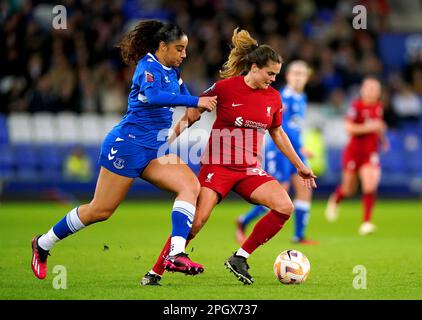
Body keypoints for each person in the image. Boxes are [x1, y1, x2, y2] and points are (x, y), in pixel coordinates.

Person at [30, 20, 217, 281]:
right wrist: (194, 101)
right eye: (179, 49)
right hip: (127, 146)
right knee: (100, 211)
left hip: (154, 149)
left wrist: (194, 108)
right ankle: (43, 243)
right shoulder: (147, 67)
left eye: (185, 49)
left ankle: (176, 254)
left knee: (190, 186)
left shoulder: (173, 70)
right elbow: (154, 97)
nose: (183, 55)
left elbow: (186, 97)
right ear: (162, 47)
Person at [141, 28, 316, 286]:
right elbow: (193, 113)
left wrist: (300, 166)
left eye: (276, 75)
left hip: (249, 169)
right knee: (197, 221)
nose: (273, 79)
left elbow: (277, 132)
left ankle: (240, 257)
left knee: (284, 206)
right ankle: (155, 272)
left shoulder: (274, 98)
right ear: (254, 67)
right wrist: (166, 141)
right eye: (270, 74)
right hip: (218, 168)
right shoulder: (225, 88)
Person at [235, 60, 319, 245]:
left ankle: (299, 236)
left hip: (296, 150)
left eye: (302, 74)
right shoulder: (283, 97)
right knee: (279, 194)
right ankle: (244, 220)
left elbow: (295, 128)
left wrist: (300, 146)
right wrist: (300, 147)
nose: (298, 77)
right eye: (295, 73)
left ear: (307, 78)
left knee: (305, 188)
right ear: (288, 76)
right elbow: (281, 128)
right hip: (279, 151)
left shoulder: (301, 97)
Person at [325, 76, 387, 235]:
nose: (372, 92)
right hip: (353, 152)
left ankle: (366, 222)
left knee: (369, 185)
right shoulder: (356, 106)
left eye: (375, 89)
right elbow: (349, 128)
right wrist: (371, 127)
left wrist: (383, 139)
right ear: (363, 90)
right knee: (349, 188)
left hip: (370, 153)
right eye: (369, 88)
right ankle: (336, 199)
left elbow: (378, 126)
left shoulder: (379, 106)